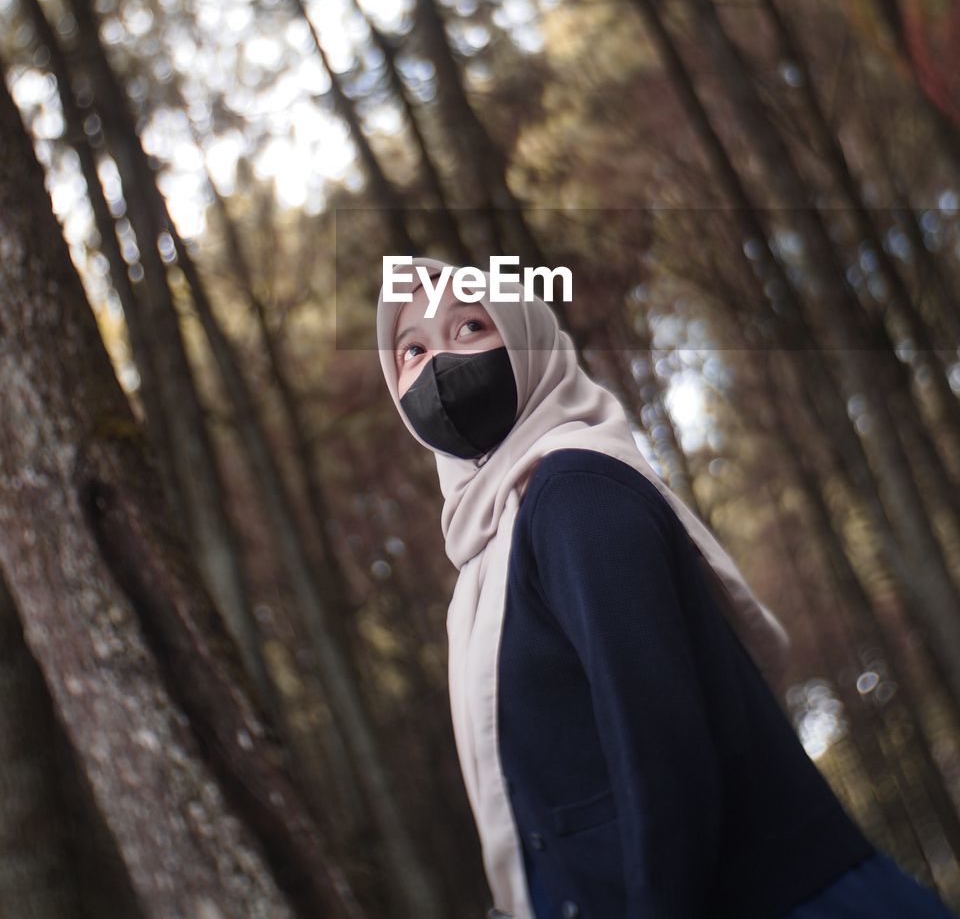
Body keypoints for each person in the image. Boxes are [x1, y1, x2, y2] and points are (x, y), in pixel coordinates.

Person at [375, 255, 958, 919]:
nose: (440, 364)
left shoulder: (574, 495)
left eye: (472, 327)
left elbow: (664, 749)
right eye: (412, 349)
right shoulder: (490, 553)